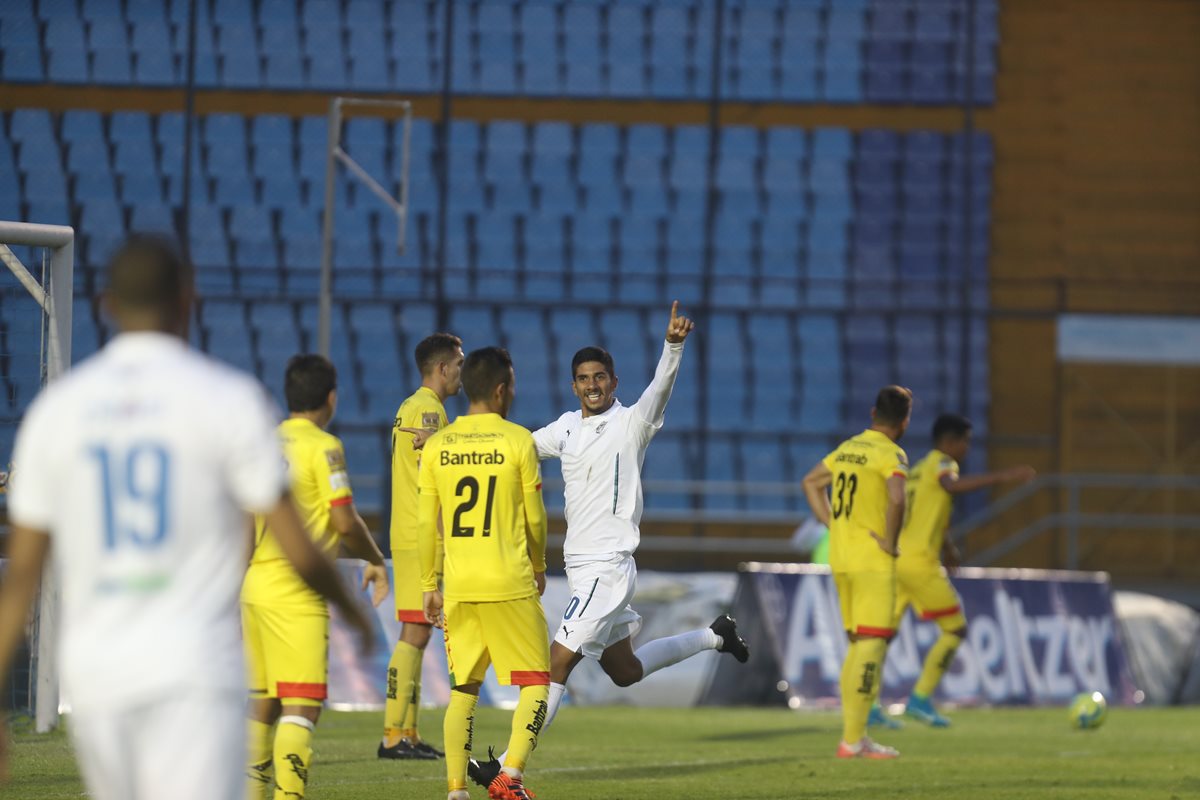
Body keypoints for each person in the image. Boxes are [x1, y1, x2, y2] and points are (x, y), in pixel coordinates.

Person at [0, 235, 373, 799]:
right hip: (193, 663)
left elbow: (22, 577)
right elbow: (300, 546)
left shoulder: (58, 411)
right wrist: (356, 614)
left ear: (107, 304)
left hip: (99, 671)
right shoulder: (229, 401)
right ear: (187, 299)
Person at [470, 302, 749, 788]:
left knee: (555, 662)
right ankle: (715, 635)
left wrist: (673, 346)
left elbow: (660, 390)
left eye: (601, 376)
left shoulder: (633, 423)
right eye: (584, 378)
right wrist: (454, 440)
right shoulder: (565, 428)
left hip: (609, 568)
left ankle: (509, 770)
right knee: (626, 670)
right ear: (573, 384)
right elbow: (512, 446)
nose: (593, 384)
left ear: (614, 383)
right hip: (580, 568)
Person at [243, 354, 390, 799]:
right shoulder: (324, 446)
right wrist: (376, 558)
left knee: (262, 701)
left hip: (254, 588)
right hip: (296, 594)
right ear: (331, 397)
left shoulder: (261, 444)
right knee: (302, 704)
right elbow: (344, 522)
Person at [418, 347, 550, 800]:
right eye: (511, 385)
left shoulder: (436, 447)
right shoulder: (517, 441)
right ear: (500, 390)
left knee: (463, 690)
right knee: (537, 682)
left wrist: (427, 585)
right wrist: (539, 565)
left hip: (459, 585)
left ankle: (456, 791)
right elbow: (535, 518)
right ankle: (509, 778)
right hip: (509, 581)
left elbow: (425, 525)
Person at [887, 413, 1035, 728]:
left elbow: (932, 516)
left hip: (897, 560)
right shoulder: (944, 464)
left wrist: (950, 548)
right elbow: (949, 485)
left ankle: (869, 705)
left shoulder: (915, 470)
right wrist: (1004, 477)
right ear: (950, 442)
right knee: (956, 630)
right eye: (966, 441)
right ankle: (920, 698)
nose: (967, 448)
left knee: (882, 636)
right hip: (920, 564)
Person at [802, 385, 912, 760]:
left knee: (858, 644)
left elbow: (811, 482)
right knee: (872, 646)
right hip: (872, 562)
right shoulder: (892, 454)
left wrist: (832, 524)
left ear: (872, 414)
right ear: (904, 421)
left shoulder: (849, 448)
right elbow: (897, 497)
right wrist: (891, 542)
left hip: (842, 558)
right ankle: (852, 741)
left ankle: (855, 736)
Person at [378, 333, 464, 760]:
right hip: (423, 536)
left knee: (417, 631)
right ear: (443, 368)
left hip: (411, 533)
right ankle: (393, 735)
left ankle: (406, 733)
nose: (462, 373)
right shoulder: (430, 411)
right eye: (459, 364)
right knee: (414, 631)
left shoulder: (412, 406)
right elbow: (435, 478)